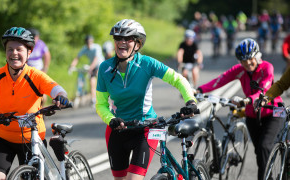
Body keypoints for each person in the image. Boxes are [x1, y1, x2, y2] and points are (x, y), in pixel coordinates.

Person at [95, 19, 197, 180]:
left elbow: (179, 79)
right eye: (117, 38)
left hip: (145, 129)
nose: (121, 42)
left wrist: (190, 102)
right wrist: (111, 119)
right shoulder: (104, 68)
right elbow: (100, 104)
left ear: (137, 44)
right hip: (117, 130)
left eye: (127, 39)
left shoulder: (147, 64)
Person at [0, 27, 70, 180]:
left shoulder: (35, 75)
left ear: (29, 53)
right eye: (10, 49)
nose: (14, 53)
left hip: (31, 137)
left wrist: (61, 97)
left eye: (19, 49)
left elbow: (56, 89)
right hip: (2, 136)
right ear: (5, 52)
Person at [195, 38, 283, 180]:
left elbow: (266, 89)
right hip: (252, 115)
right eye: (243, 61)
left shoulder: (267, 67)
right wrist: (199, 90)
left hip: (272, 113)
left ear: (257, 56)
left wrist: (248, 100)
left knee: (264, 147)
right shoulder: (240, 70)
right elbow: (221, 79)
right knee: (259, 153)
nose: (247, 63)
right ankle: (269, 177)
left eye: (250, 59)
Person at [69, 35, 104, 105]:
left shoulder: (96, 47)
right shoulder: (85, 48)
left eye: (90, 42)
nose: (89, 43)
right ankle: (94, 99)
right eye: (87, 42)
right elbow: (77, 58)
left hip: (101, 65)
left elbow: (96, 59)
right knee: (92, 82)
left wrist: (90, 68)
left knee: (102, 81)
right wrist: (71, 66)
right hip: (93, 66)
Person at [27, 28, 52, 105]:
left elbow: (47, 55)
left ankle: (41, 109)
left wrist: (45, 68)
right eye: (34, 37)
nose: (36, 39)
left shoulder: (41, 44)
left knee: (42, 93)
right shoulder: (26, 44)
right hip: (28, 72)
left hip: (39, 70)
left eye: (37, 37)